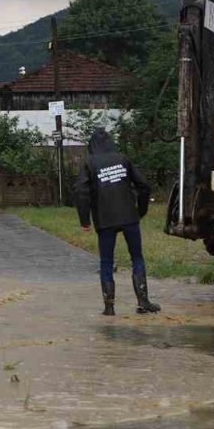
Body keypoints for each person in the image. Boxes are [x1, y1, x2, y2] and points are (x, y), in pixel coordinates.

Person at [74, 128, 159, 316]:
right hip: (129, 216)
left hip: (105, 220)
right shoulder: (122, 159)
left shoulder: (90, 162)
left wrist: (84, 220)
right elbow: (144, 185)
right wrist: (140, 211)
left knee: (106, 261)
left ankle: (109, 306)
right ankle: (143, 301)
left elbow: (81, 191)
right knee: (137, 257)